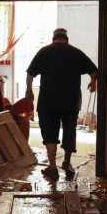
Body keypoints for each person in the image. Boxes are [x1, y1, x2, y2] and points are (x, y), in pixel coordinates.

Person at [25, 28, 97, 179]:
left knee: (49, 133)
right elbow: (94, 70)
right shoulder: (75, 52)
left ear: (53, 39)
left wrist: (29, 91)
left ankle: (52, 167)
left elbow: (30, 73)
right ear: (66, 39)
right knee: (69, 131)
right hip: (70, 101)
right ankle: (67, 162)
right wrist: (93, 82)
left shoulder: (44, 52)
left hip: (48, 101)